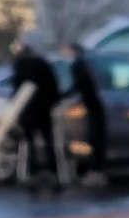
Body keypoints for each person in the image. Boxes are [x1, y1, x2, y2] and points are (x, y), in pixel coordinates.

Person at [8, 34, 63, 193]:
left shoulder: (19, 66)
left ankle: (32, 173)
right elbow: (53, 87)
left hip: (27, 111)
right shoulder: (43, 65)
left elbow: (17, 88)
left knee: (29, 143)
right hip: (43, 110)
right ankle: (54, 173)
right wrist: (52, 102)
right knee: (49, 142)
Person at [64, 41, 108, 183]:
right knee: (95, 137)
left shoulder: (78, 65)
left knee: (94, 137)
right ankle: (96, 168)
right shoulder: (85, 64)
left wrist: (63, 96)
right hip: (93, 105)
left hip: (91, 105)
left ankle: (95, 169)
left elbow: (78, 85)